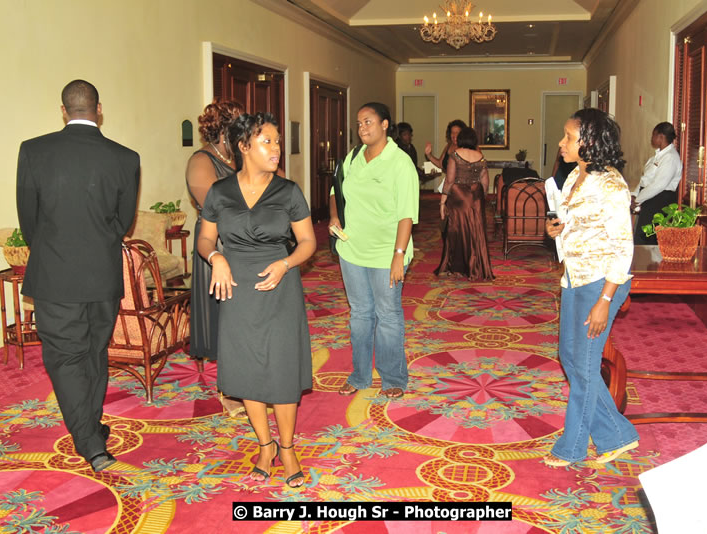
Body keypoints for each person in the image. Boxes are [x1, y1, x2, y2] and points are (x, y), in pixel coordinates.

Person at [16, 80, 139, 473]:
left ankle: (88, 437)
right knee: (92, 352)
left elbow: (28, 219)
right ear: (98, 109)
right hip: (102, 272)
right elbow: (123, 222)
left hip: (54, 274)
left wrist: (52, 248)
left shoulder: (33, 151)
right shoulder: (125, 157)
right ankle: (91, 434)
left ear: (64, 110)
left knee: (67, 358)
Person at [197, 112, 316, 488]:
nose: (277, 148)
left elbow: (309, 243)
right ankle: (264, 446)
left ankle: (286, 448)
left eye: (278, 141)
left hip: (279, 286)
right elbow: (204, 239)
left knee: (280, 368)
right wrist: (216, 258)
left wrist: (284, 264)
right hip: (236, 288)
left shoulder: (289, 192)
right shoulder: (220, 193)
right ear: (244, 146)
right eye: (268, 141)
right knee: (248, 370)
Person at [543, 108, 639, 467]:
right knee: (571, 358)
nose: (562, 143)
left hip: (601, 282)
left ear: (590, 142)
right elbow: (569, 223)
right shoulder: (573, 178)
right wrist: (557, 230)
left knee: (584, 365)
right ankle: (618, 435)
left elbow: (622, 247)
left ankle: (572, 447)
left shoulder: (612, 186)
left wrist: (605, 300)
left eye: (569, 137)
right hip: (574, 278)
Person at [329, 102, 419, 400]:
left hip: (386, 253)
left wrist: (398, 255)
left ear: (384, 125)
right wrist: (334, 216)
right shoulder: (353, 157)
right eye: (359, 123)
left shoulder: (399, 162)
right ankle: (360, 375)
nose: (362, 128)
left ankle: (393, 377)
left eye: (368, 122)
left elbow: (406, 214)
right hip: (352, 248)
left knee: (388, 313)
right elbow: (335, 190)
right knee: (360, 314)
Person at [185, 98, 245, 417]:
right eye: (238, 123)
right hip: (217, 248)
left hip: (246, 245)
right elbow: (218, 208)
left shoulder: (240, 156)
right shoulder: (201, 161)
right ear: (223, 129)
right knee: (224, 319)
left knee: (244, 319)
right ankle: (230, 390)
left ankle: (248, 380)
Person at [434, 126, 493, 280]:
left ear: (460, 140)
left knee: (457, 230)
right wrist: (481, 195)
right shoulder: (480, 156)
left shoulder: (455, 155)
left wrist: (442, 202)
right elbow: (485, 182)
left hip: (459, 195)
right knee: (476, 230)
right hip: (476, 194)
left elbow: (450, 180)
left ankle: (456, 267)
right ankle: (476, 267)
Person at [631, 122, 682, 245]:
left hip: (659, 202)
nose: (651, 138)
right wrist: (634, 194)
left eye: (654, 135)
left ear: (661, 137)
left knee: (649, 242)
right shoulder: (657, 156)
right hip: (649, 200)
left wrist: (638, 199)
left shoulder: (670, 158)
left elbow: (658, 185)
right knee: (641, 238)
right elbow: (645, 179)